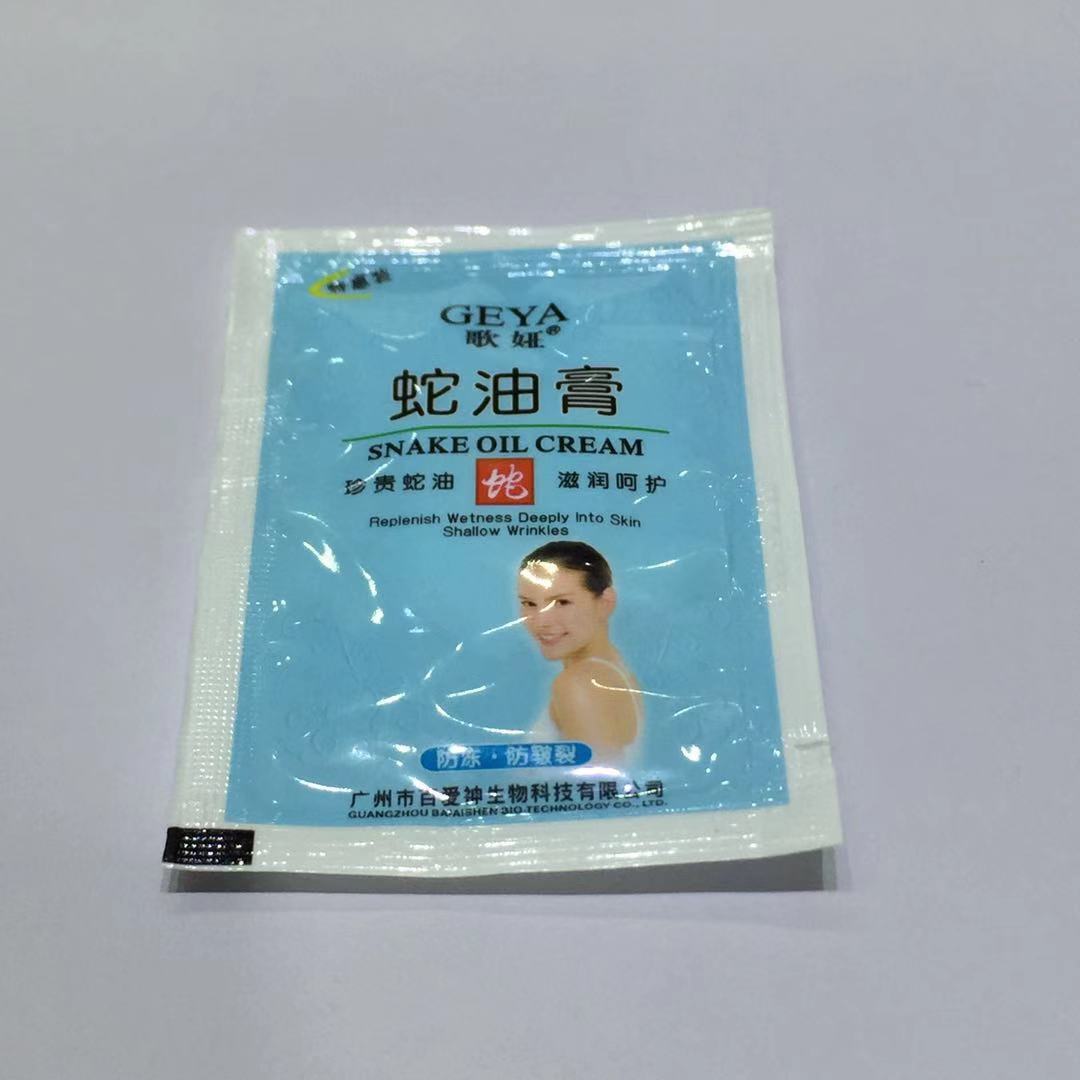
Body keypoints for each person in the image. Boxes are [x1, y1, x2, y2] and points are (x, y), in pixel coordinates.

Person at [517, 541, 644, 760]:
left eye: (562, 602)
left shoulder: (579, 683)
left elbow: (599, 778)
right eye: (529, 603)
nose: (541, 621)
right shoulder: (612, 669)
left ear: (606, 602)